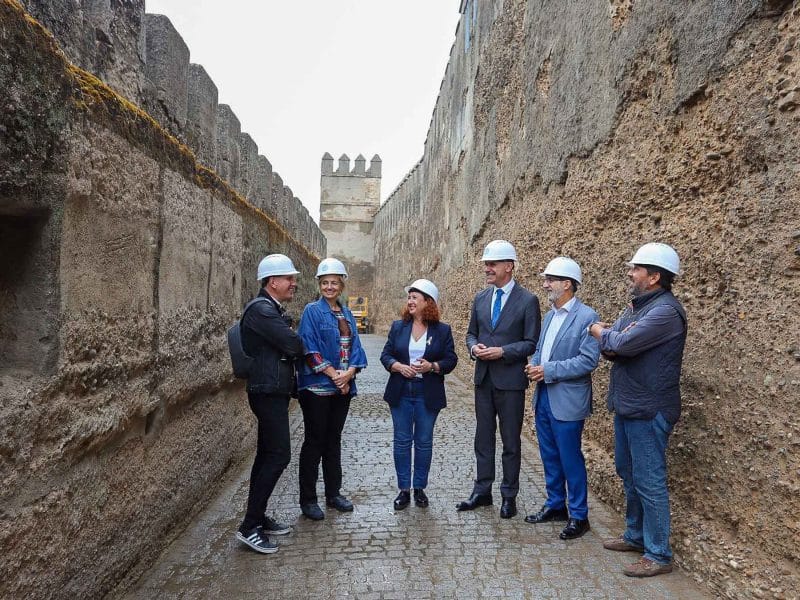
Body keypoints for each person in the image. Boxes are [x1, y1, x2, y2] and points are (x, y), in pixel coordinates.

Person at [588, 242, 687, 577]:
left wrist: (601, 331)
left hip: (649, 409)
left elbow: (618, 343)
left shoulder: (665, 312)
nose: (630, 274)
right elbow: (615, 350)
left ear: (654, 277)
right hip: (629, 406)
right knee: (628, 473)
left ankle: (658, 554)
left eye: (636, 269)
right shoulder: (636, 308)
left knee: (649, 481)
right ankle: (635, 535)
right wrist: (612, 339)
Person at [459, 240, 541, 518]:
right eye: (486, 264)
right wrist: (474, 348)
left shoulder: (528, 300)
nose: (487, 268)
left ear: (509, 266)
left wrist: (503, 351)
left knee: (511, 442)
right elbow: (471, 333)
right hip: (483, 380)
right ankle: (482, 491)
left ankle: (509, 495)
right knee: (483, 439)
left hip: (511, 383)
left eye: (492, 264)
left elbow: (531, 343)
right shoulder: (481, 298)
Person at [523, 257, 600, 540]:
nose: (545, 285)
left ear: (567, 284)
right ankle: (556, 505)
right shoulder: (549, 316)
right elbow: (543, 349)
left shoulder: (587, 317)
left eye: (550, 280)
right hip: (544, 396)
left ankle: (579, 515)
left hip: (567, 400)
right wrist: (534, 364)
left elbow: (588, 361)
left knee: (570, 458)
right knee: (549, 456)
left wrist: (548, 370)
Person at [235, 254, 304, 554]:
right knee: (278, 456)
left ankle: (257, 517)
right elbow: (293, 345)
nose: (293, 283)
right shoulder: (262, 310)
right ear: (272, 282)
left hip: (271, 390)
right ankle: (249, 527)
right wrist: (291, 337)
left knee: (265, 456)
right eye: (288, 278)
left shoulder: (270, 309)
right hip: (266, 391)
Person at [296, 258, 368, 520]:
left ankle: (333, 493)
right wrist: (333, 374)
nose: (329, 287)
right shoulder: (311, 312)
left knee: (333, 440)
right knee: (314, 441)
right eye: (325, 283)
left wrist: (349, 373)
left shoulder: (347, 313)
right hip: (316, 389)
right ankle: (308, 499)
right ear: (319, 284)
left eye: (334, 283)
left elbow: (356, 349)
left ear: (341, 285)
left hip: (342, 388)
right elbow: (309, 348)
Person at [380, 279, 458, 510]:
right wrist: (397, 366)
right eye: (409, 297)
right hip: (401, 391)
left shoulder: (442, 330)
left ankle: (420, 488)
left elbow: (451, 360)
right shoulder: (398, 327)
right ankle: (403, 489)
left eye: (415, 297)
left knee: (423, 442)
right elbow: (385, 355)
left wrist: (432, 367)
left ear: (428, 302)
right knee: (402, 441)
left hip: (428, 392)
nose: (410, 301)